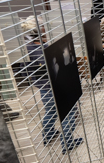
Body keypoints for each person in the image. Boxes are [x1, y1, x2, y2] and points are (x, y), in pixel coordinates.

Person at [21, 16, 83, 151]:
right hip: (56, 86)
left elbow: (26, 71)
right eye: (43, 26)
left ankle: (48, 135)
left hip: (44, 87)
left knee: (50, 111)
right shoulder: (43, 49)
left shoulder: (27, 48)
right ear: (40, 29)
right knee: (68, 112)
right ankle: (67, 143)